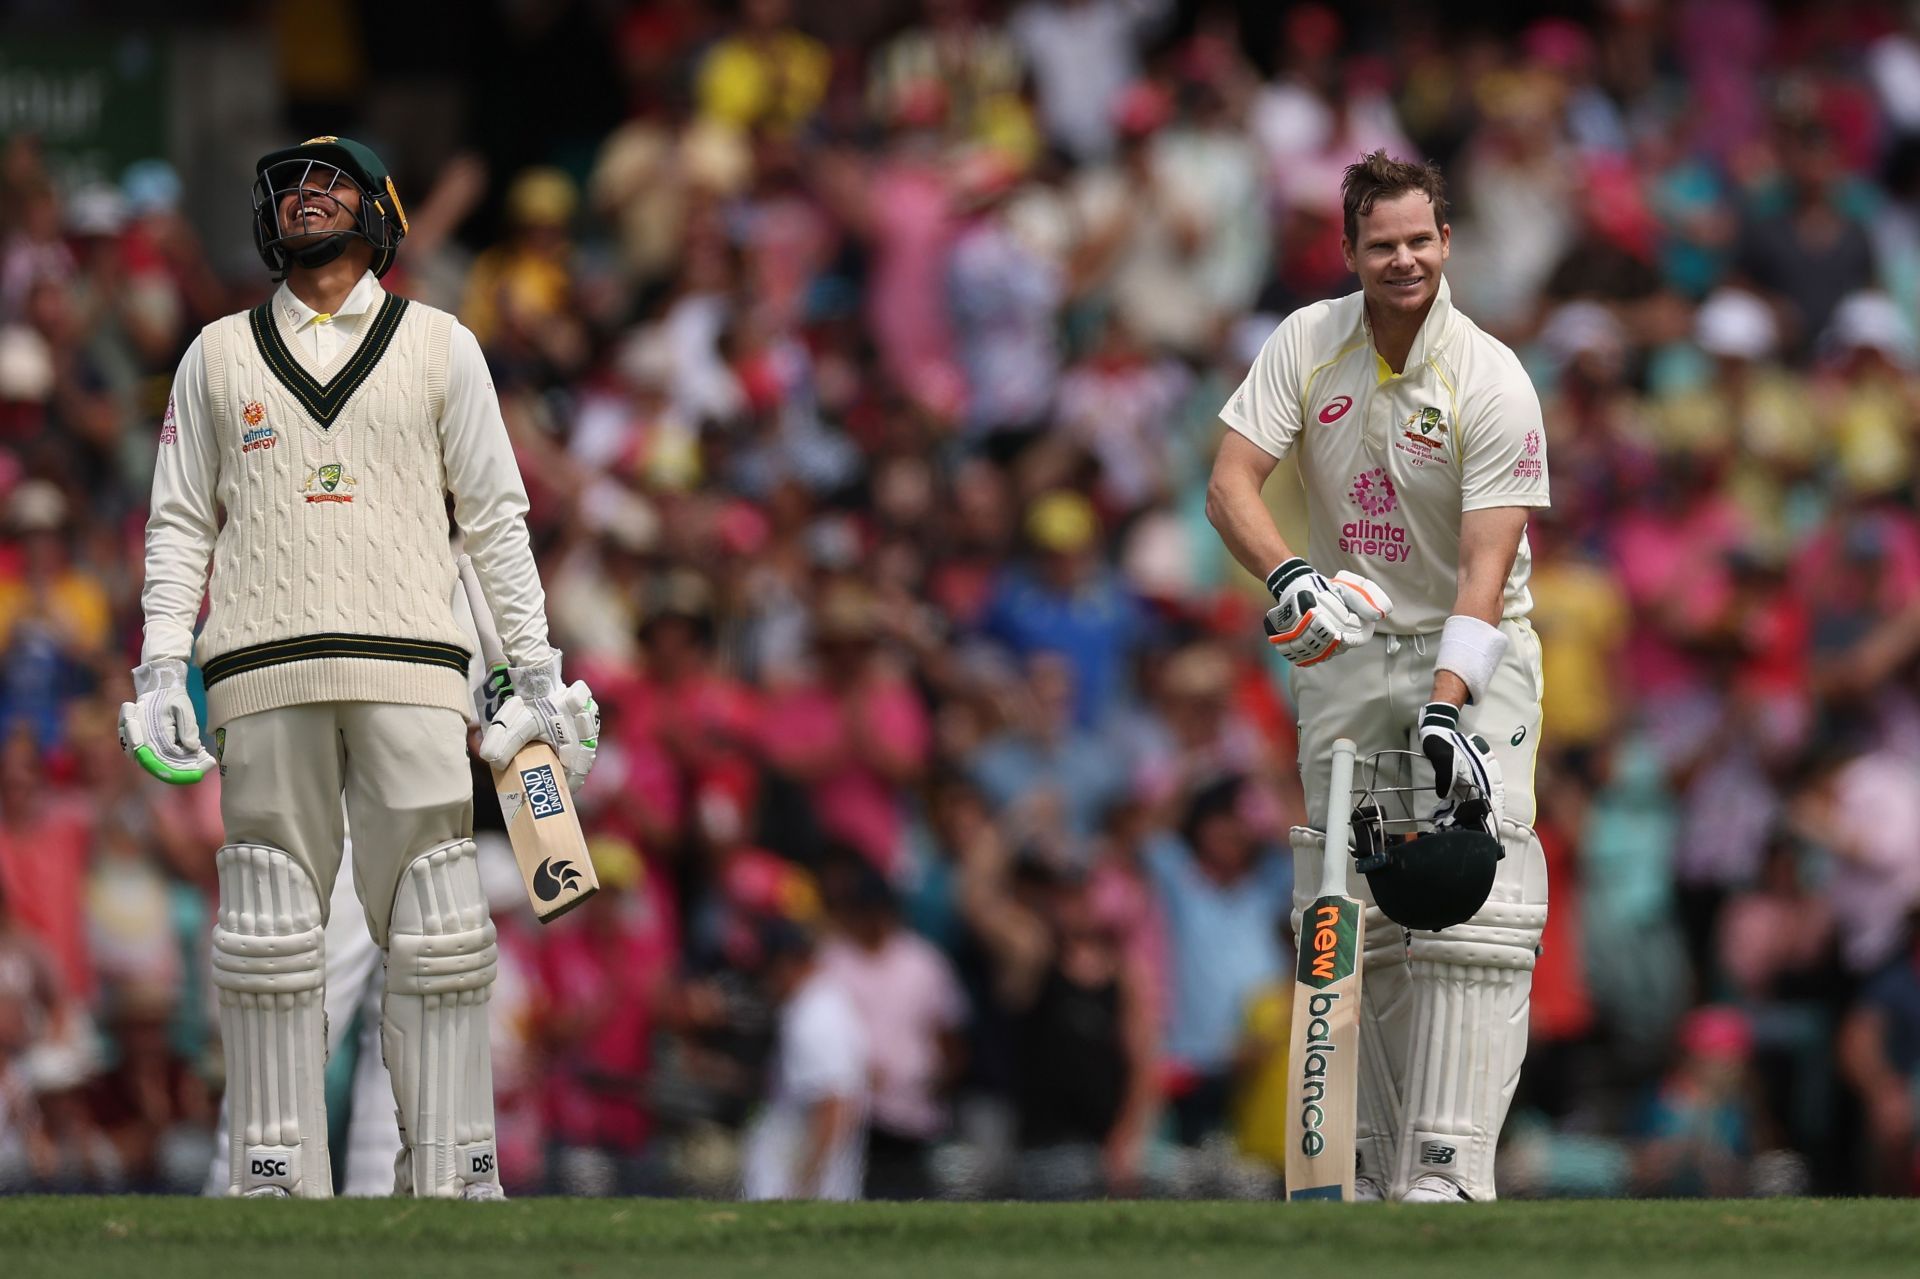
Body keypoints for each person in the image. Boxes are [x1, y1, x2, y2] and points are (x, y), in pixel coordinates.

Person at [117, 136, 598, 1198]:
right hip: (259, 669)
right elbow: (178, 524)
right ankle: (270, 1174)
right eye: (290, 187)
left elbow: (495, 521)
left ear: (381, 212)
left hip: (417, 669)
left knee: (437, 923)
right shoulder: (215, 353)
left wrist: (537, 670)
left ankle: (455, 1174)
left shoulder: (441, 345)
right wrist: (160, 670)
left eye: (331, 183)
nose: (307, 199)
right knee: (269, 928)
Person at [1204, 150, 1551, 1202]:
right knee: (1352, 891)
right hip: (1349, 644)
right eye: (1380, 244)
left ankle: (1447, 1170)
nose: (1402, 260)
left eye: (1418, 241)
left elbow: (1487, 565)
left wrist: (1449, 710)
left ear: (1447, 243)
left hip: (1473, 647)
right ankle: (1360, 1157)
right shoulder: (1307, 342)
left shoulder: (1490, 375)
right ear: (1350, 251)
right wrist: (1291, 574)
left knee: (1471, 890)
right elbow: (1229, 484)